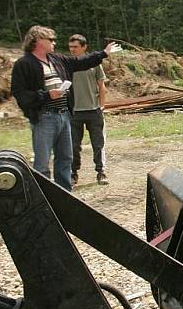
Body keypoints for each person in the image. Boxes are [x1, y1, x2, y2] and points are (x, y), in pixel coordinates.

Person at [10, 25, 118, 191]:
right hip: (44, 117)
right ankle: (45, 198)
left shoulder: (57, 59)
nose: (54, 42)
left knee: (65, 158)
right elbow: (20, 94)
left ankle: (64, 195)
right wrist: (47, 95)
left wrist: (103, 53)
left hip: (64, 116)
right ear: (37, 41)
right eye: (50, 40)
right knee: (42, 162)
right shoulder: (24, 64)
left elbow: (82, 61)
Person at [68, 34, 108, 186]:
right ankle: (73, 174)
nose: (72, 50)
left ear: (84, 47)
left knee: (98, 144)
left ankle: (101, 172)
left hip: (93, 110)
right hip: (74, 112)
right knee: (73, 146)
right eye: (70, 47)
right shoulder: (68, 64)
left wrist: (101, 106)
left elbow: (102, 86)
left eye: (75, 47)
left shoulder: (94, 63)